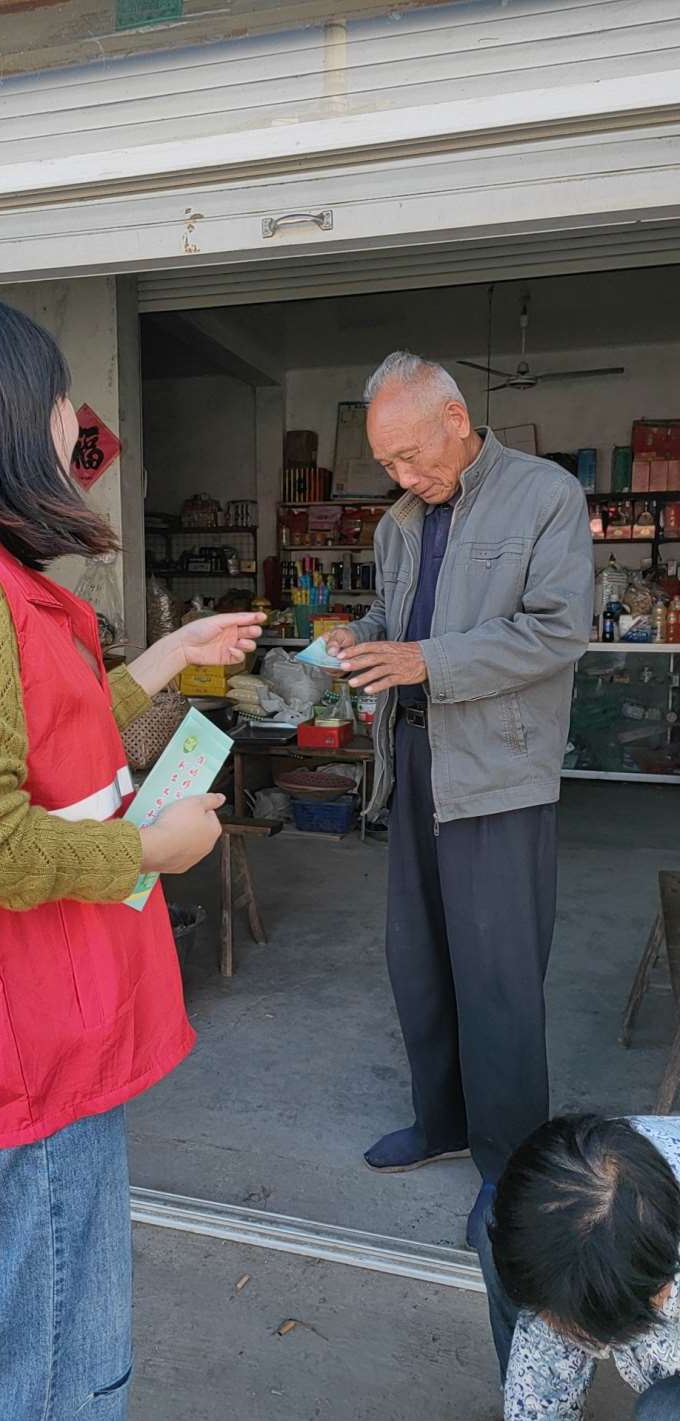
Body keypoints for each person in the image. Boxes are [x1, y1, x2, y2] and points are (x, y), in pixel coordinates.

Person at [0, 292, 264, 1420]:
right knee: (55, 1364)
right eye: (61, 402)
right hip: (24, 1038)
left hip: (46, 1016)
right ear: (6, 413)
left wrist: (164, 658)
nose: (72, 424)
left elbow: (49, 738)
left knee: (57, 1339)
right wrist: (154, 845)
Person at [326, 352, 593, 1247]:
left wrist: (425, 660)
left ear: (455, 417)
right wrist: (358, 636)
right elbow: (398, 622)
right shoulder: (400, 522)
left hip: (498, 770)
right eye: (387, 463)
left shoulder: (544, 497)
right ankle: (441, 1121)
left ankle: (511, 1167)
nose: (403, 476)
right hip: (414, 757)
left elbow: (557, 630)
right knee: (420, 957)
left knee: (498, 976)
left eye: (410, 456)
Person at [479, 1114, 680, 1419]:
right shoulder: (593, 1167)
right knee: (500, 1234)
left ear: (660, 1293)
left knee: (663, 1409)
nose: (552, 1329)